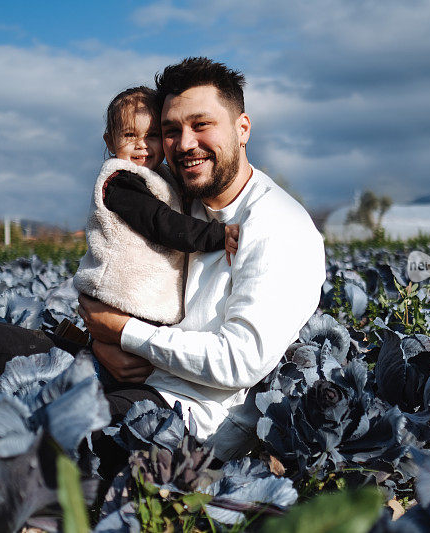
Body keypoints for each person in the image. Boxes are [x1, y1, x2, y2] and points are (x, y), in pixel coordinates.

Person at [77, 57, 326, 459]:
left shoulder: (281, 226)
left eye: (201, 124)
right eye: (171, 131)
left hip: (185, 419)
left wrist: (123, 334)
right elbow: (114, 260)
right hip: (126, 373)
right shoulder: (179, 196)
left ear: (242, 128)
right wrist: (103, 338)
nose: (185, 143)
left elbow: (239, 360)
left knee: (55, 432)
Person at [73, 86, 240, 327]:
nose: (142, 145)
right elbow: (161, 222)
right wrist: (217, 234)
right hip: (120, 297)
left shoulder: (160, 176)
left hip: (142, 300)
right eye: (130, 135)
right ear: (110, 141)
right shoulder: (120, 181)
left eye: (151, 135)